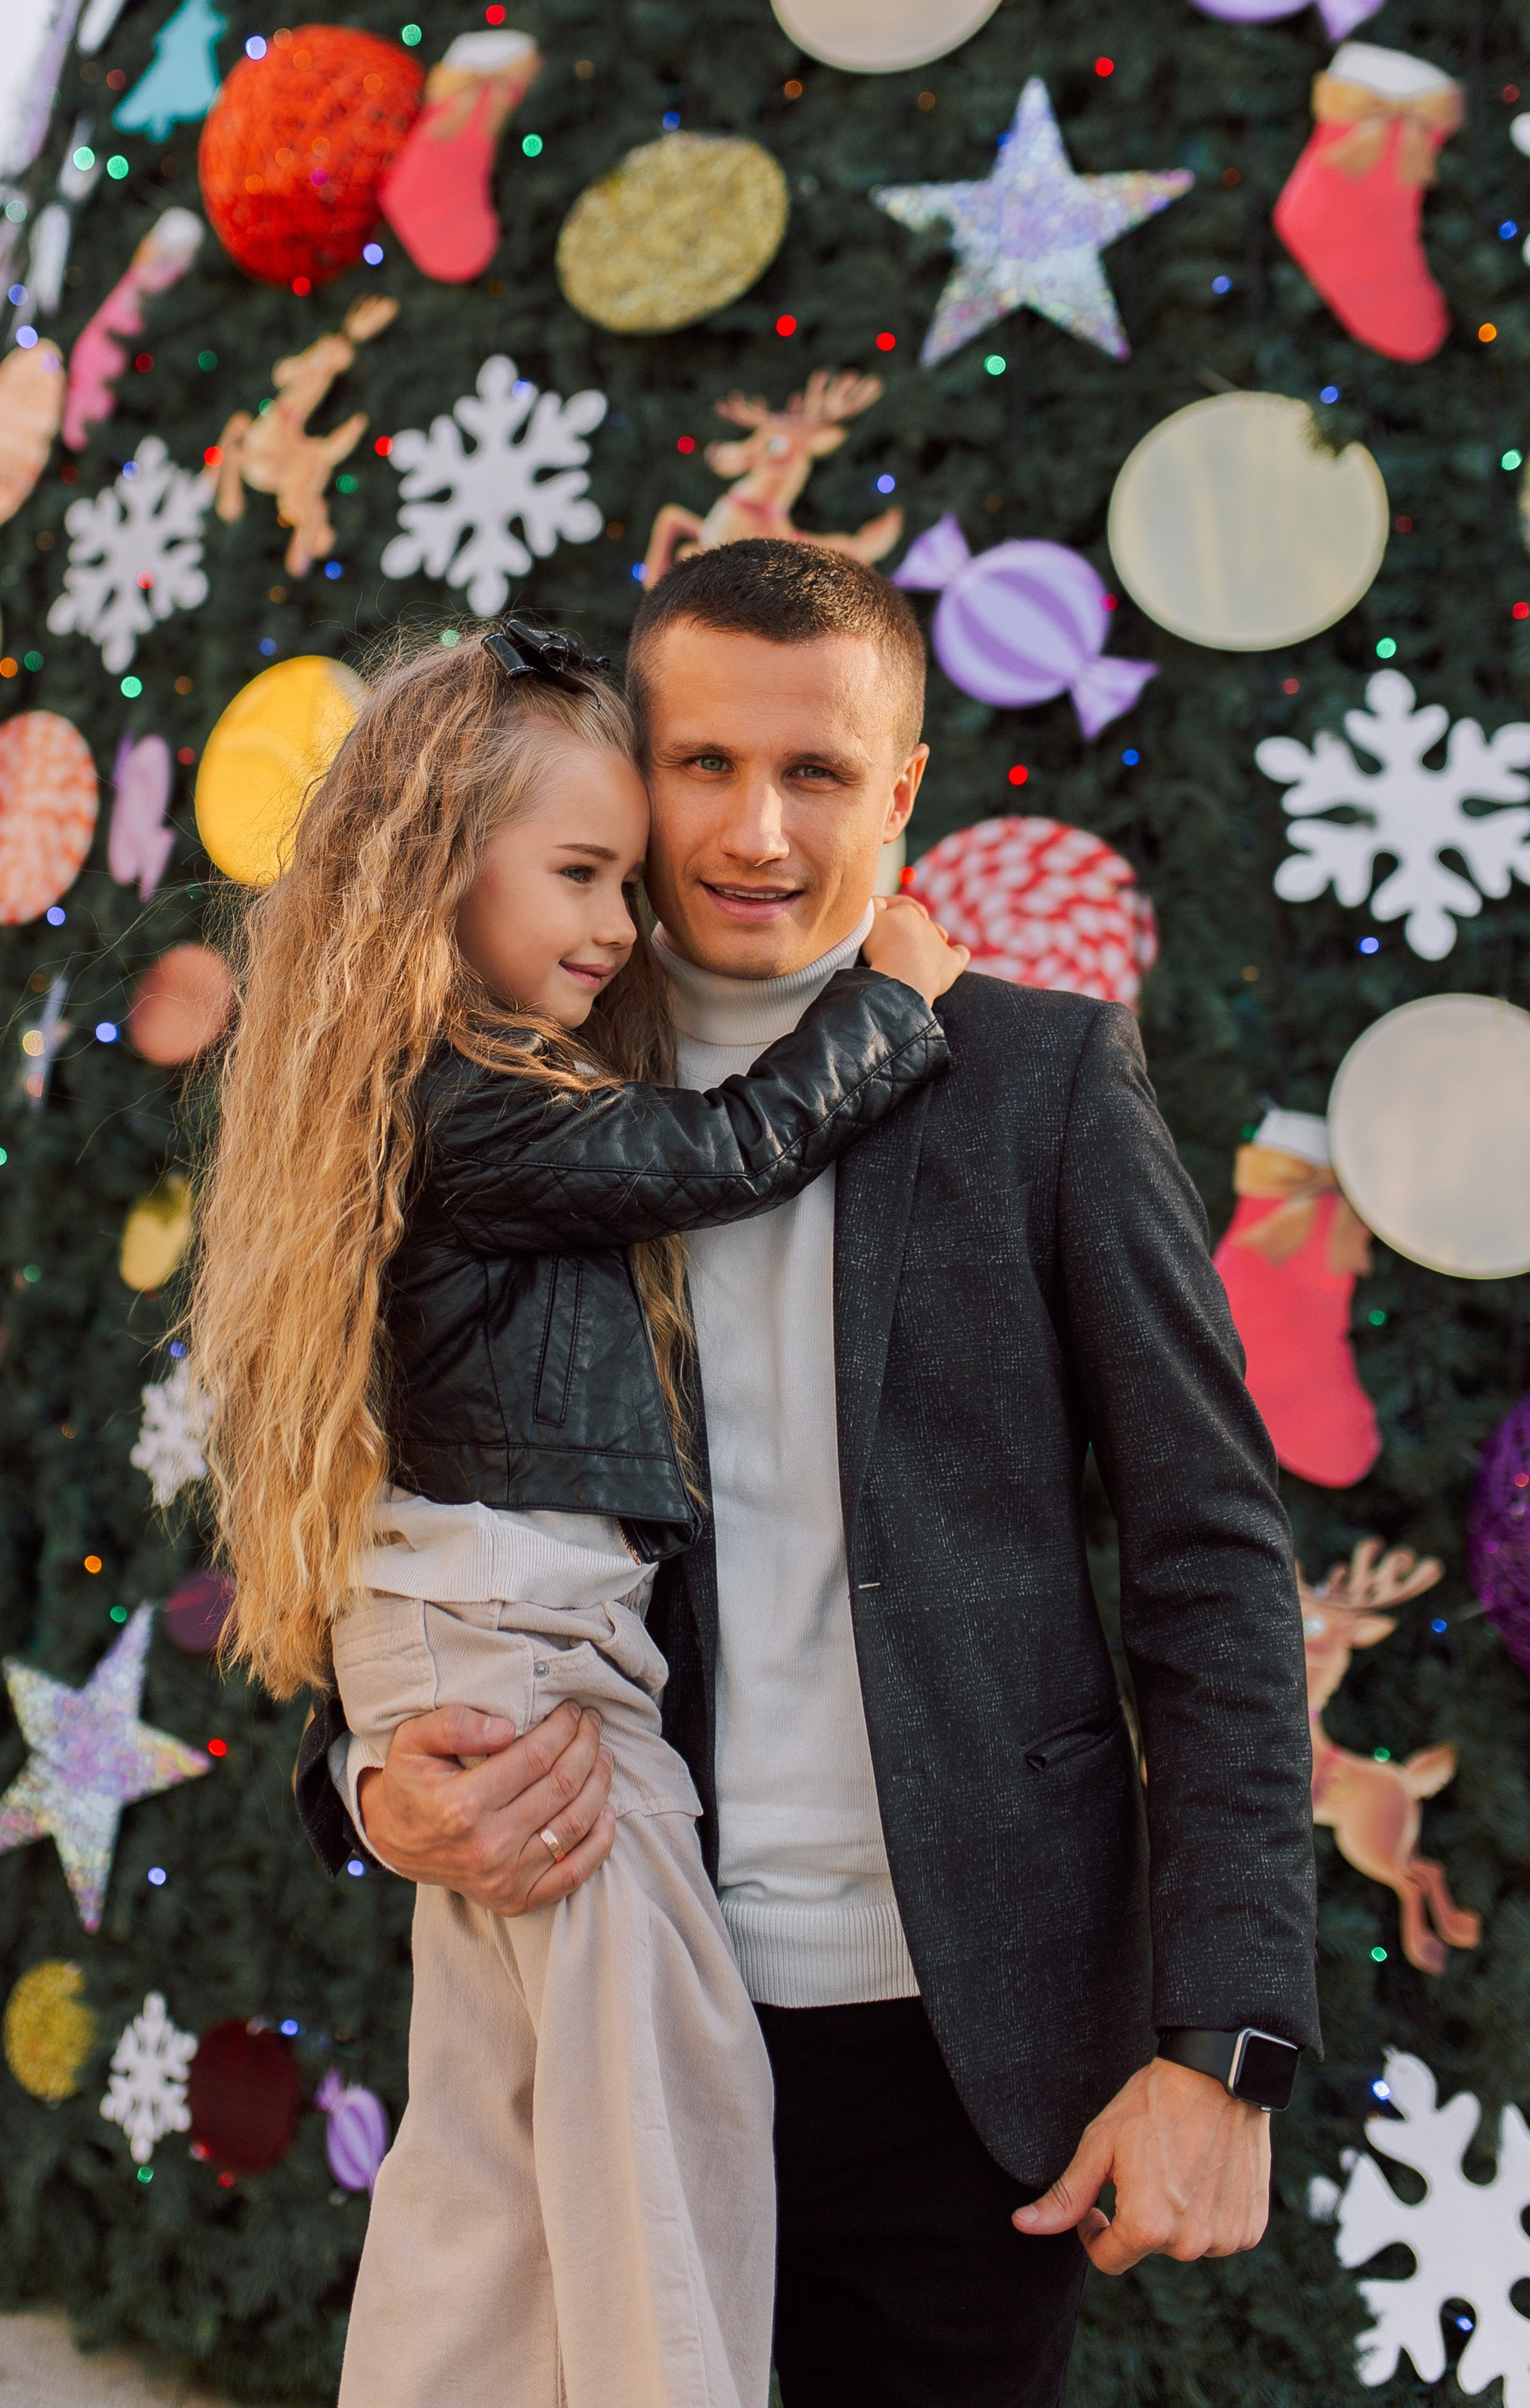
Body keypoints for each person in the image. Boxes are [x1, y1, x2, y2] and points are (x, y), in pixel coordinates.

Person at [299, 543, 1321, 2408]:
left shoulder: (1041, 1080)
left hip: (970, 2043)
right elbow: (371, 1493)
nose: (755, 830)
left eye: (818, 773)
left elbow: (1208, 1556)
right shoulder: (507, 1086)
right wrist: (364, 1785)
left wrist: (1223, 2044)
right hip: (616, 1997)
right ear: (629, 762)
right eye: (700, 765)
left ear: (903, 786)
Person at [193, 614, 967, 2408]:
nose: (619, 925)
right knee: (655, 2107)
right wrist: (888, 1006)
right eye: (582, 875)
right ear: (436, 867)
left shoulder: (445, 1089)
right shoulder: (471, 1107)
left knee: (503, 2132)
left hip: (496, 1630)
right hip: (518, 1641)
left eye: (621, 880)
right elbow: (713, 1158)